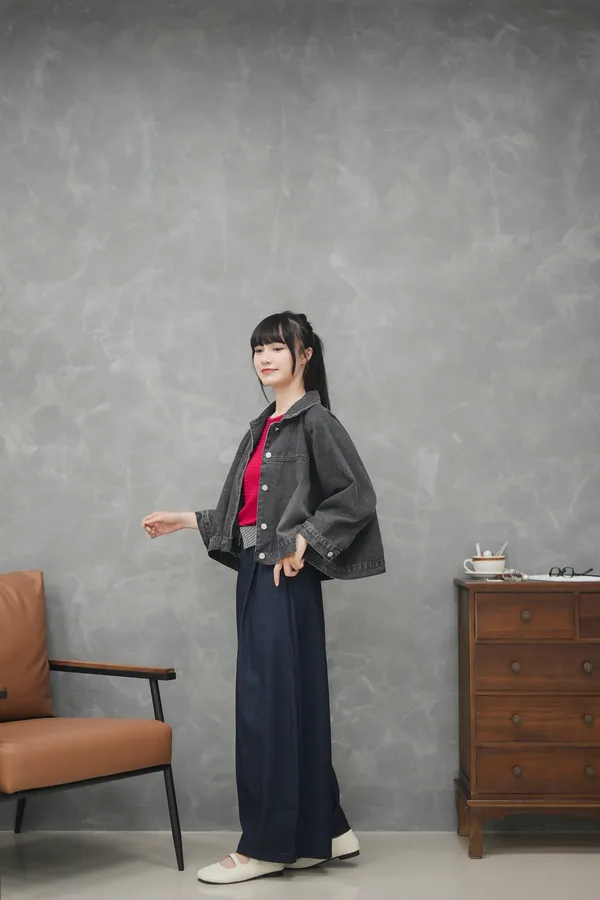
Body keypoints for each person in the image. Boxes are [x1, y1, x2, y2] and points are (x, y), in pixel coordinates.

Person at [142, 310, 386, 885]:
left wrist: (306, 540)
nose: (265, 358)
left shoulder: (314, 422)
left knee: (267, 710)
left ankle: (267, 846)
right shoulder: (262, 428)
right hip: (258, 574)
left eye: (277, 347)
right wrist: (185, 519)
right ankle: (326, 830)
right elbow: (247, 515)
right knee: (290, 704)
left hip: (283, 580)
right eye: (258, 350)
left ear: (305, 355)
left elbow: (357, 495)